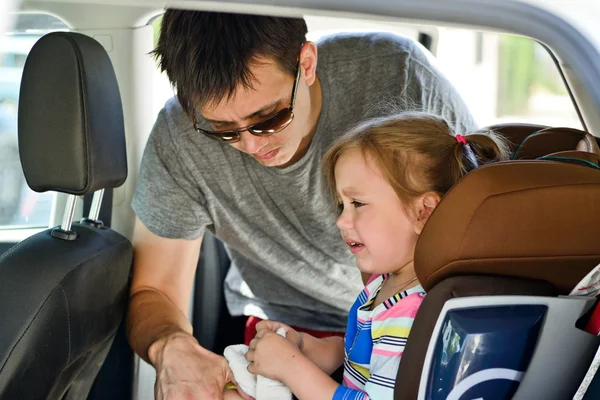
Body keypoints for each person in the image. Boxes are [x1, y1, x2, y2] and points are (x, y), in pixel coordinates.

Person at [126, 9, 478, 399]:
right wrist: (171, 347)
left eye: (268, 118)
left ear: (306, 64)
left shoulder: (400, 78)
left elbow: (483, 226)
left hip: (415, 326)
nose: (253, 145)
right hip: (291, 332)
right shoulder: (180, 138)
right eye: (223, 131)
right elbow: (154, 290)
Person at [233, 112, 510, 399]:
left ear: (423, 212)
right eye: (342, 204)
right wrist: (304, 347)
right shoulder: (387, 284)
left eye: (358, 203)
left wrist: (291, 368)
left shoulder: (413, 313)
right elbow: (363, 354)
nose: (342, 220)